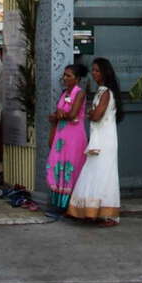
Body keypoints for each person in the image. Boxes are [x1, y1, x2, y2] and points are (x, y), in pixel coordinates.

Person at [67, 58, 124, 225]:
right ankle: (90, 211)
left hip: (105, 140)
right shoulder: (101, 91)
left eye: (97, 70)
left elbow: (96, 115)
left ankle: (109, 214)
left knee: (105, 174)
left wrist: (91, 113)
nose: (94, 73)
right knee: (93, 172)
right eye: (93, 70)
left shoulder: (106, 92)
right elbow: (92, 113)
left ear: (105, 72)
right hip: (99, 137)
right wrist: (91, 113)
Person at [43, 64, 89, 213]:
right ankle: (59, 205)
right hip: (61, 134)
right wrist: (56, 116)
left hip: (74, 136)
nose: (65, 78)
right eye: (64, 75)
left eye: (69, 75)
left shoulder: (80, 93)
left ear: (77, 78)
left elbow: (72, 114)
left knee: (71, 166)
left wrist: (61, 114)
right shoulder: (64, 93)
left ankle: (71, 206)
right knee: (57, 165)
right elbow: (58, 113)